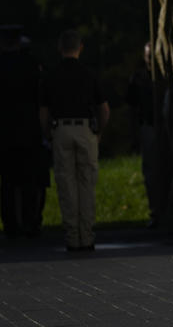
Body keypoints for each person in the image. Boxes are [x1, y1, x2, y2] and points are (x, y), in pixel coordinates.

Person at [39, 30, 109, 252]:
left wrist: (47, 133)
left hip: (61, 129)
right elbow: (104, 109)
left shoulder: (51, 75)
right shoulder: (89, 74)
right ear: (81, 48)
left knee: (66, 185)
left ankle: (72, 237)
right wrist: (99, 132)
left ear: (60, 49)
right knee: (86, 184)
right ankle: (87, 236)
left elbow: (43, 111)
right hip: (85, 129)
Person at [0, 25, 48, 238]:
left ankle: (11, 224)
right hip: (30, 128)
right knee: (30, 179)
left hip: (5, 131)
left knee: (9, 183)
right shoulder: (31, 65)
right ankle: (31, 222)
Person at [126, 41, 161, 227]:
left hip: (163, 126)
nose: (150, 59)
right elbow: (131, 107)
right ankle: (155, 211)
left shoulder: (164, 76)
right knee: (151, 172)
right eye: (148, 55)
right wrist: (134, 134)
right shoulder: (139, 78)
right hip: (148, 125)